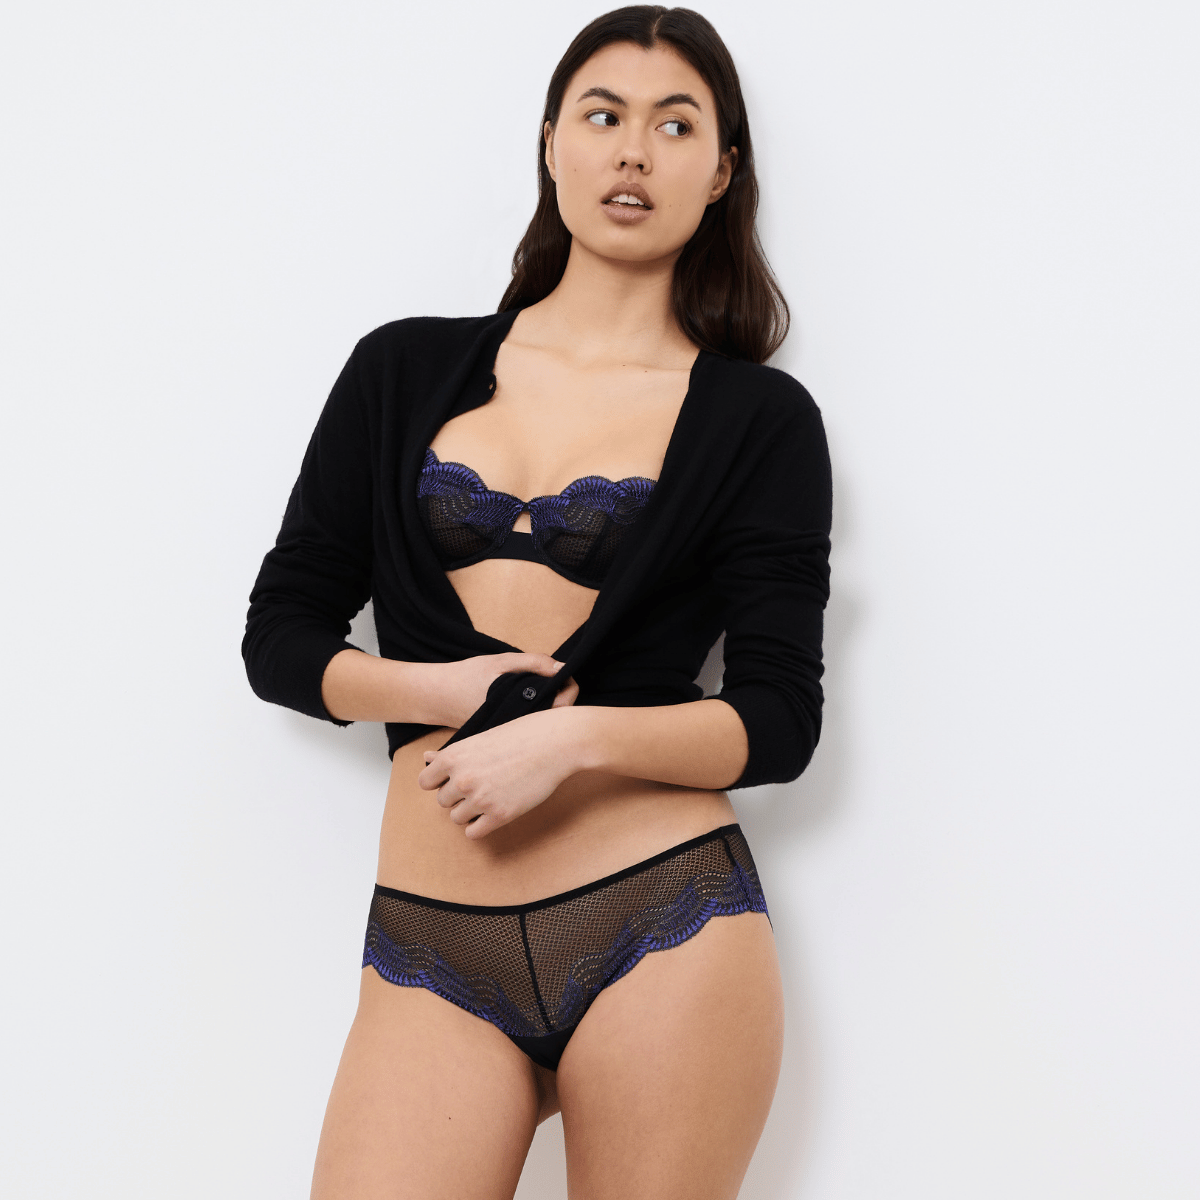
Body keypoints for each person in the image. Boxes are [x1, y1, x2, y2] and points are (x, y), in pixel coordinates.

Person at [242, 6, 832, 1197]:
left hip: (663, 919)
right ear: (552, 142)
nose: (634, 151)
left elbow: (777, 721)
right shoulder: (400, 367)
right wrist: (438, 691)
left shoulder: (759, 420)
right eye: (603, 116)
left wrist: (571, 742)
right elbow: (281, 637)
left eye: (677, 126)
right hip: (431, 942)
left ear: (722, 172)